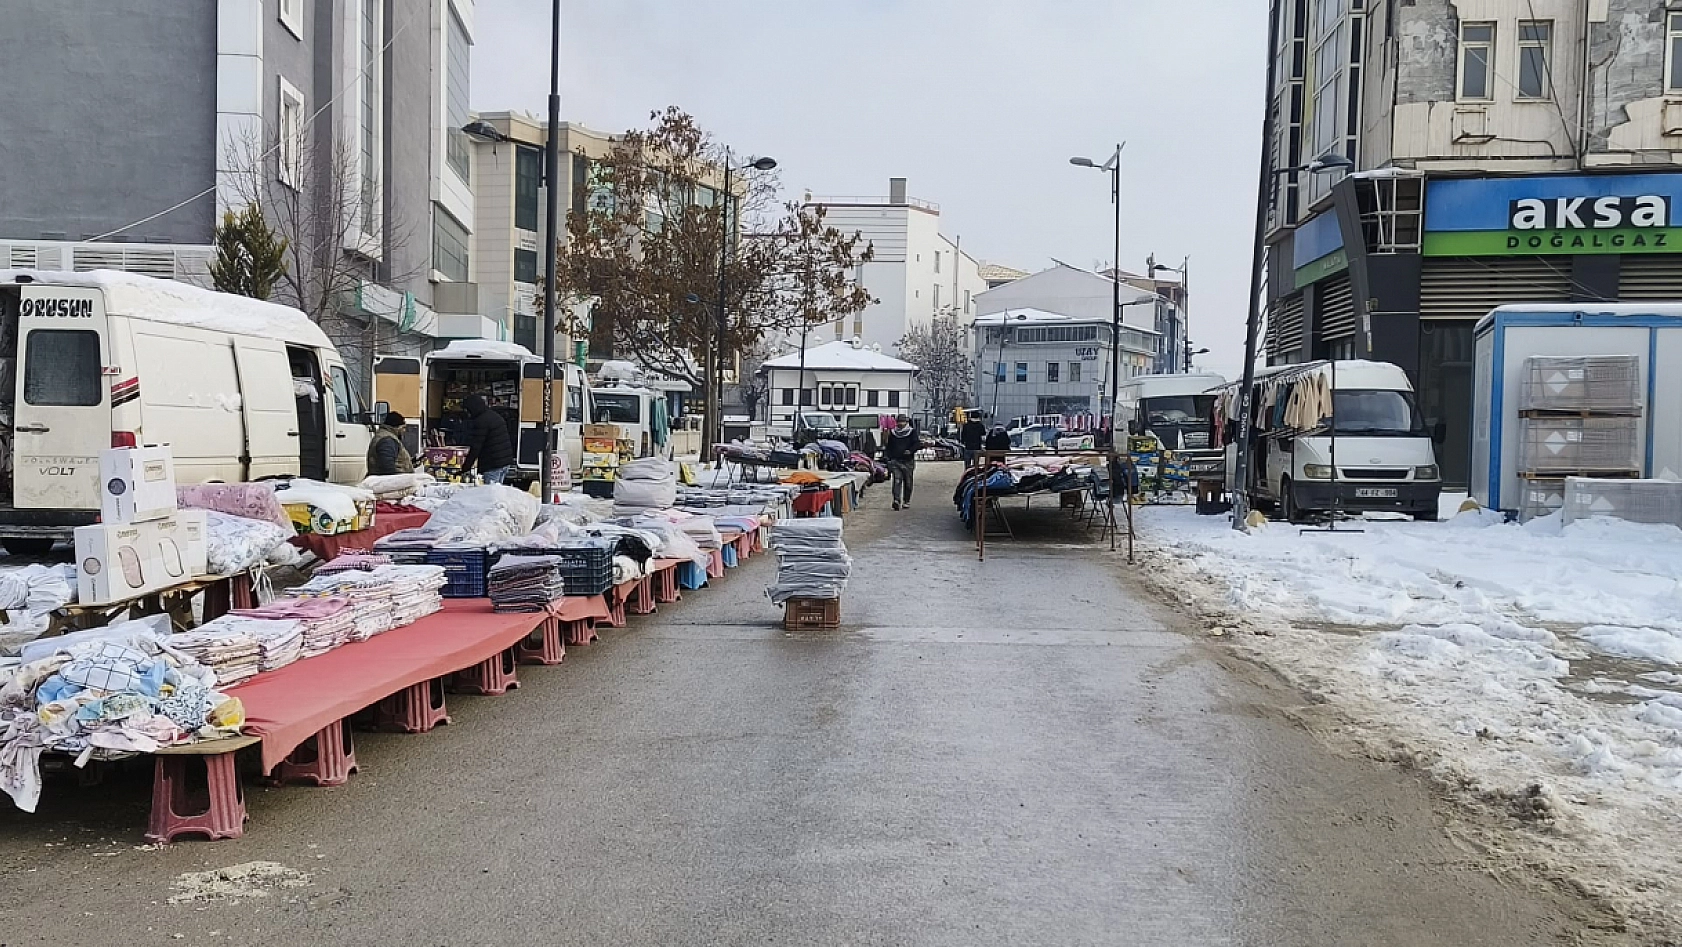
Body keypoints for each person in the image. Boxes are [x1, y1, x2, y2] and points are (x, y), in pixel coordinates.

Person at [462, 393, 516, 485]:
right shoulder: (493, 416)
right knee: (498, 493)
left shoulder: (481, 421)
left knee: (491, 494)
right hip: (504, 461)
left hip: (493, 464)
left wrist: (466, 467)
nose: (467, 413)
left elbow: (476, 447)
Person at [881, 414, 921, 511]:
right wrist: (888, 457)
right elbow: (888, 446)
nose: (901, 424)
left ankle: (906, 501)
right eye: (899, 422)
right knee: (897, 480)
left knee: (908, 482)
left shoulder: (912, 432)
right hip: (896, 461)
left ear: (906, 422)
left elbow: (917, 443)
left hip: (908, 461)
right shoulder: (892, 433)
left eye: (903, 422)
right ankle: (896, 500)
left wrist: (910, 451)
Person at [366, 411, 414, 477]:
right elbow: (387, 467)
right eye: (403, 428)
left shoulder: (386, 437)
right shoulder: (387, 440)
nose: (404, 431)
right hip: (390, 484)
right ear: (398, 428)